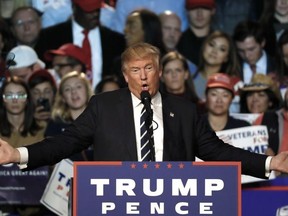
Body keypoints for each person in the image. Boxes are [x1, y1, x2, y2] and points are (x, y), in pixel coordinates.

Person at [0, 43, 288, 179]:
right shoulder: (103, 106)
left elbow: (218, 151)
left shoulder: (185, 112)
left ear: (159, 71)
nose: (143, 76)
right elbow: (65, 142)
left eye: (149, 68)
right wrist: (18, 154)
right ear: (125, 76)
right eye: (135, 70)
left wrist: (270, 163)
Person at [34, 0, 126, 90]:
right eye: (89, 10)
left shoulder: (116, 41)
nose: (95, 14)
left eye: (97, 10)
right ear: (74, 8)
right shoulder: (50, 37)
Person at [45, 71, 93, 161]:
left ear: (87, 91)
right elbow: (50, 159)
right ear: (63, 98)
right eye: (67, 89)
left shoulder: (101, 121)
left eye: (78, 87)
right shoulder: (55, 124)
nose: (74, 92)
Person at [194, 30, 243, 112]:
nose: (214, 51)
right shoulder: (187, 77)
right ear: (204, 47)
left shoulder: (234, 84)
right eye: (211, 45)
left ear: (226, 57)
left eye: (222, 49)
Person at [0, 76, 45, 148]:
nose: (15, 100)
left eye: (20, 95)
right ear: (2, 100)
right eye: (9, 95)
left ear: (27, 99)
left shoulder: (43, 127)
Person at [110, 0, 188, 34]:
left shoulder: (177, 1)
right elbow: (119, 34)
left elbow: (182, 31)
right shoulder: (125, 2)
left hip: (168, 59)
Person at [177, 0, 215, 66]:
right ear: (187, 11)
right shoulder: (177, 42)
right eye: (194, 8)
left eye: (204, 8)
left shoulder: (224, 43)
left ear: (213, 11)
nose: (199, 13)